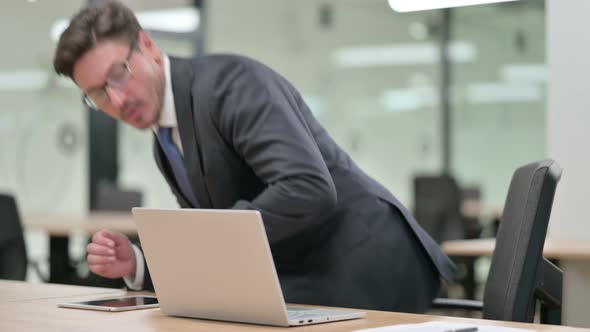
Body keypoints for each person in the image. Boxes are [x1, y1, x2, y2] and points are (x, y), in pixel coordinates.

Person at [53, 1, 455, 313]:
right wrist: (139, 264)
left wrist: (207, 241)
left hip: (368, 265)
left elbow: (307, 188)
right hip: (304, 277)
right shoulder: (166, 140)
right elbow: (214, 239)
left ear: (149, 47)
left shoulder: (230, 86)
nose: (117, 99)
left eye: (119, 74)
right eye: (99, 93)